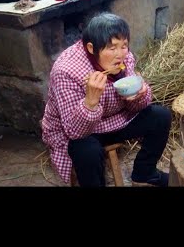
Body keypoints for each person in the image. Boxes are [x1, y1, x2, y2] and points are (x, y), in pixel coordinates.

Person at [41, 12, 171, 187]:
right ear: (91, 48)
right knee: (87, 151)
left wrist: (139, 96)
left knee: (161, 116)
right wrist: (90, 102)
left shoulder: (124, 58)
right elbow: (73, 131)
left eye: (124, 45)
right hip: (79, 131)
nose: (120, 54)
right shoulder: (67, 71)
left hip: (115, 119)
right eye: (112, 48)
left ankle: (144, 173)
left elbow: (135, 107)